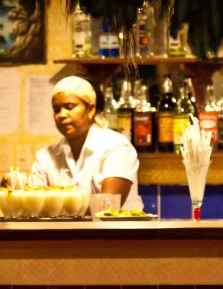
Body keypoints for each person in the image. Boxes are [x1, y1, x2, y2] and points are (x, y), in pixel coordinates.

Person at [29, 75, 143, 210]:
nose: (62, 115)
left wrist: (51, 206)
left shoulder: (116, 147)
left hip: (114, 231)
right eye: (56, 109)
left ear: (91, 109)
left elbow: (107, 208)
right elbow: (32, 208)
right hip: (63, 232)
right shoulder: (45, 157)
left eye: (69, 107)